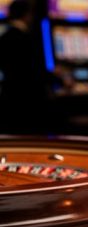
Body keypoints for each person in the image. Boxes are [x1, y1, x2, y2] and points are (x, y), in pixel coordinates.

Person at [0, 0, 47, 134]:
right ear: (27, 15)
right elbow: (35, 72)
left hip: (9, 97)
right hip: (28, 100)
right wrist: (61, 79)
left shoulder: (4, 36)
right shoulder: (27, 38)